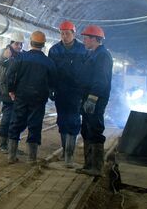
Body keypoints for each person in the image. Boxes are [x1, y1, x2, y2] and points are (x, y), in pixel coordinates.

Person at [6, 31, 56, 164]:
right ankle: (31, 158)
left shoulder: (21, 57)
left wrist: (11, 90)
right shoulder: (48, 62)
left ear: (30, 42)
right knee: (35, 125)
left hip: (21, 96)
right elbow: (53, 82)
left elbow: (10, 74)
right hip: (39, 99)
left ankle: (11, 156)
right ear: (43, 45)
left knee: (16, 123)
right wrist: (50, 93)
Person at [48, 20, 87, 168]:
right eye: (62, 33)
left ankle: (69, 155)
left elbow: (87, 72)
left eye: (67, 33)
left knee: (74, 122)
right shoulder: (54, 50)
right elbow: (50, 71)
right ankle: (65, 152)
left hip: (77, 93)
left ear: (73, 33)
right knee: (63, 121)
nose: (64, 36)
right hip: (61, 92)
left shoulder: (83, 50)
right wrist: (50, 88)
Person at [76, 25, 112, 177]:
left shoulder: (102, 55)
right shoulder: (94, 53)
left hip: (95, 99)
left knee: (95, 129)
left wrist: (92, 98)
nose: (84, 41)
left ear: (94, 39)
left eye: (86, 38)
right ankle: (88, 164)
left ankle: (96, 167)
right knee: (86, 129)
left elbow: (100, 79)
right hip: (88, 97)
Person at [0, 32, 25, 153]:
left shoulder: (23, 55)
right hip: (6, 93)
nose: (19, 46)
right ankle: (3, 144)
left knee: (18, 121)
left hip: (19, 94)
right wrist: (5, 55)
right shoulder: (5, 52)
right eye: (17, 44)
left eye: (21, 44)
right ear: (11, 43)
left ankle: (13, 145)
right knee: (7, 119)